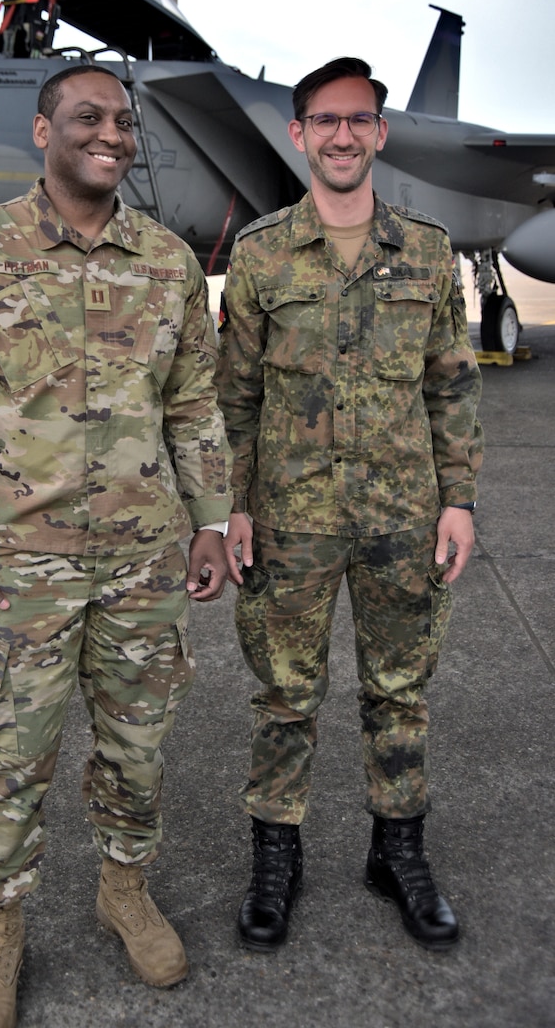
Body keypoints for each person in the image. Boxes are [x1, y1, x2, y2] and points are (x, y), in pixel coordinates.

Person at [0, 64, 231, 1028]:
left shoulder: (168, 262)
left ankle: (123, 889)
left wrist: (209, 519)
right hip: (17, 570)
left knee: (137, 747)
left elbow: (191, 403)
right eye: (88, 117)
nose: (111, 134)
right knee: (9, 758)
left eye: (123, 121)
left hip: (141, 563)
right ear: (43, 131)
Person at [215, 57, 483, 955]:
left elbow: (452, 387)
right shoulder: (257, 255)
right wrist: (232, 507)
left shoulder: (428, 251)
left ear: (378, 134)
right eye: (323, 121)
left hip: (403, 514)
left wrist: (459, 503)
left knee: (398, 694)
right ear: (298, 135)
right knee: (284, 696)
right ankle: (275, 858)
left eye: (356, 121)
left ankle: (395, 852)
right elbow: (236, 395)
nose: (340, 135)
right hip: (290, 520)